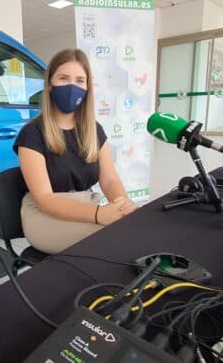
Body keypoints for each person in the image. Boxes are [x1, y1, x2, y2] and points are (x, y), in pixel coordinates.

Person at [13, 48, 138, 255]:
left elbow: (109, 180)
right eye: (63, 78)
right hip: (44, 216)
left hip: (85, 206)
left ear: (88, 87)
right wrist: (98, 214)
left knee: (130, 227)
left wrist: (122, 206)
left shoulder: (94, 130)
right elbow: (45, 199)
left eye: (80, 80)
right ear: (49, 84)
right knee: (114, 241)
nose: (72, 86)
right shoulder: (32, 134)